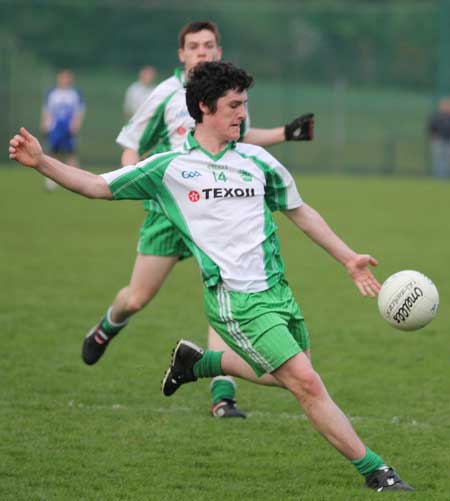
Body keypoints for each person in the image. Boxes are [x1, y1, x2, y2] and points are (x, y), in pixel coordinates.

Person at [9, 61, 413, 492]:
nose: (243, 114)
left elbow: (301, 212)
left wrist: (347, 258)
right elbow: (96, 184)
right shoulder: (170, 168)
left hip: (278, 293)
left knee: (295, 377)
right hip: (235, 300)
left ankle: (200, 362)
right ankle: (377, 472)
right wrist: (41, 163)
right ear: (204, 107)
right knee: (308, 384)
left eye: (245, 105)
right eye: (234, 106)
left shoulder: (258, 161)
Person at [82, 20, 315, 419]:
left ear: (218, 50)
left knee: (229, 286)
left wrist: (285, 133)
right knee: (136, 297)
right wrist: (134, 184)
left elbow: (238, 139)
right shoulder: (165, 95)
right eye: (194, 46)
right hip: (168, 211)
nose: (203, 52)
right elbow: (130, 147)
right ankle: (107, 325)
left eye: (210, 45)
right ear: (182, 54)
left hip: (218, 207)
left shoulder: (228, 93)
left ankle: (222, 393)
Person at [40, 69, 85, 191]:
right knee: (53, 153)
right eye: (63, 77)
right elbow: (47, 111)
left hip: (68, 128)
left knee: (71, 154)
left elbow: (79, 112)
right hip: (55, 128)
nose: (65, 80)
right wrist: (44, 124)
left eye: (67, 77)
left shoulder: (75, 94)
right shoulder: (52, 94)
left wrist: (76, 125)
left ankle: (76, 182)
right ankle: (51, 181)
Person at [428, 97, 450, 178]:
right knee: (438, 159)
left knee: (448, 159)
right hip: (438, 141)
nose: (446, 107)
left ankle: (447, 177)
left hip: (449, 140)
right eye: (444, 105)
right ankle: (439, 177)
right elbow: (430, 127)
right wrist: (434, 136)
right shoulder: (436, 116)